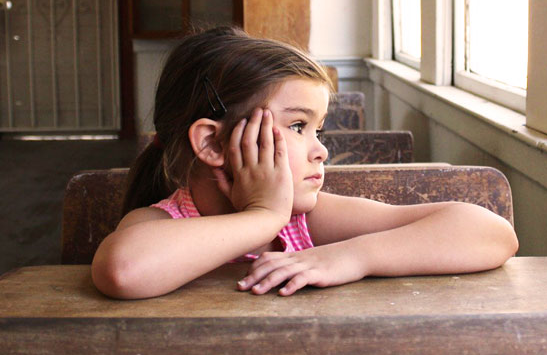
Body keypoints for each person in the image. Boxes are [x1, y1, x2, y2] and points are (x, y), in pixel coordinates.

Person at [91, 26, 518, 300]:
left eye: (319, 130)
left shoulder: (304, 223)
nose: (321, 150)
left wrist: (351, 258)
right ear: (213, 142)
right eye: (297, 126)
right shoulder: (162, 222)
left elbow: (491, 234)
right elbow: (124, 270)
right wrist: (263, 216)